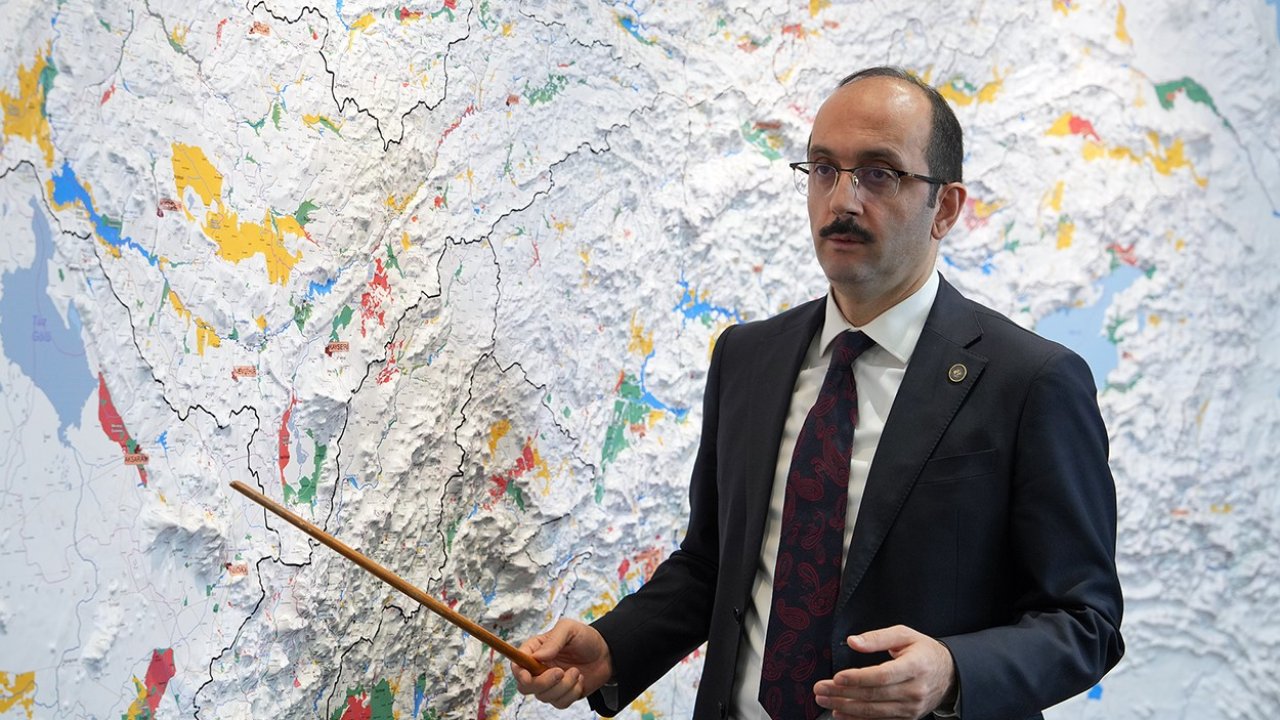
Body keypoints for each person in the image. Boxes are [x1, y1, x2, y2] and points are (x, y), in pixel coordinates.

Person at [513, 66, 1124, 720]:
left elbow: (1084, 622)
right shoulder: (748, 357)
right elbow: (714, 565)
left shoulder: (1030, 381)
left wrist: (952, 671)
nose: (842, 201)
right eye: (824, 169)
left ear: (944, 208)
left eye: (879, 173)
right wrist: (613, 646)